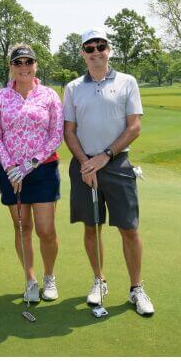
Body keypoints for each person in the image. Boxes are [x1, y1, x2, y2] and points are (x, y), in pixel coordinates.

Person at [62, 28, 152, 316]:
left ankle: (136, 287)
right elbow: (69, 131)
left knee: (129, 228)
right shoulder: (74, 87)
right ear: (83, 53)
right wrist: (85, 162)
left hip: (116, 164)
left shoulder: (127, 82)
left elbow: (134, 127)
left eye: (101, 46)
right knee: (92, 226)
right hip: (84, 165)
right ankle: (99, 280)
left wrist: (104, 156)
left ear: (108, 49)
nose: (96, 51)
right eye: (90, 47)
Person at [0, 44, 63, 304]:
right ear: (11, 67)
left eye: (28, 62)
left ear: (36, 65)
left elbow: (56, 135)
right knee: (22, 228)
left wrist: (29, 165)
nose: (23, 67)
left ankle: (49, 277)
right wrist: (10, 167)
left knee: (46, 230)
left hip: (42, 170)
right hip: (11, 174)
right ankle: (30, 280)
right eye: (18, 62)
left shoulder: (49, 95)